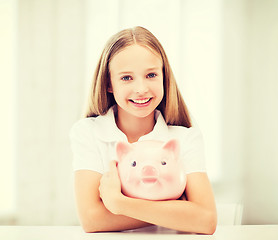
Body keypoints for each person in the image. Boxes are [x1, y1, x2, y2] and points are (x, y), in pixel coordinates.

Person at [69, 26, 217, 234]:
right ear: (108, 84)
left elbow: (205, 220)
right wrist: (176, 208)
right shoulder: (87, 132)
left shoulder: (185, 138)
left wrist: (118, 203)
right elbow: (92, 219)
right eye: (126, 78)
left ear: (163, 77)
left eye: (151, 75)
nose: (141, 89)